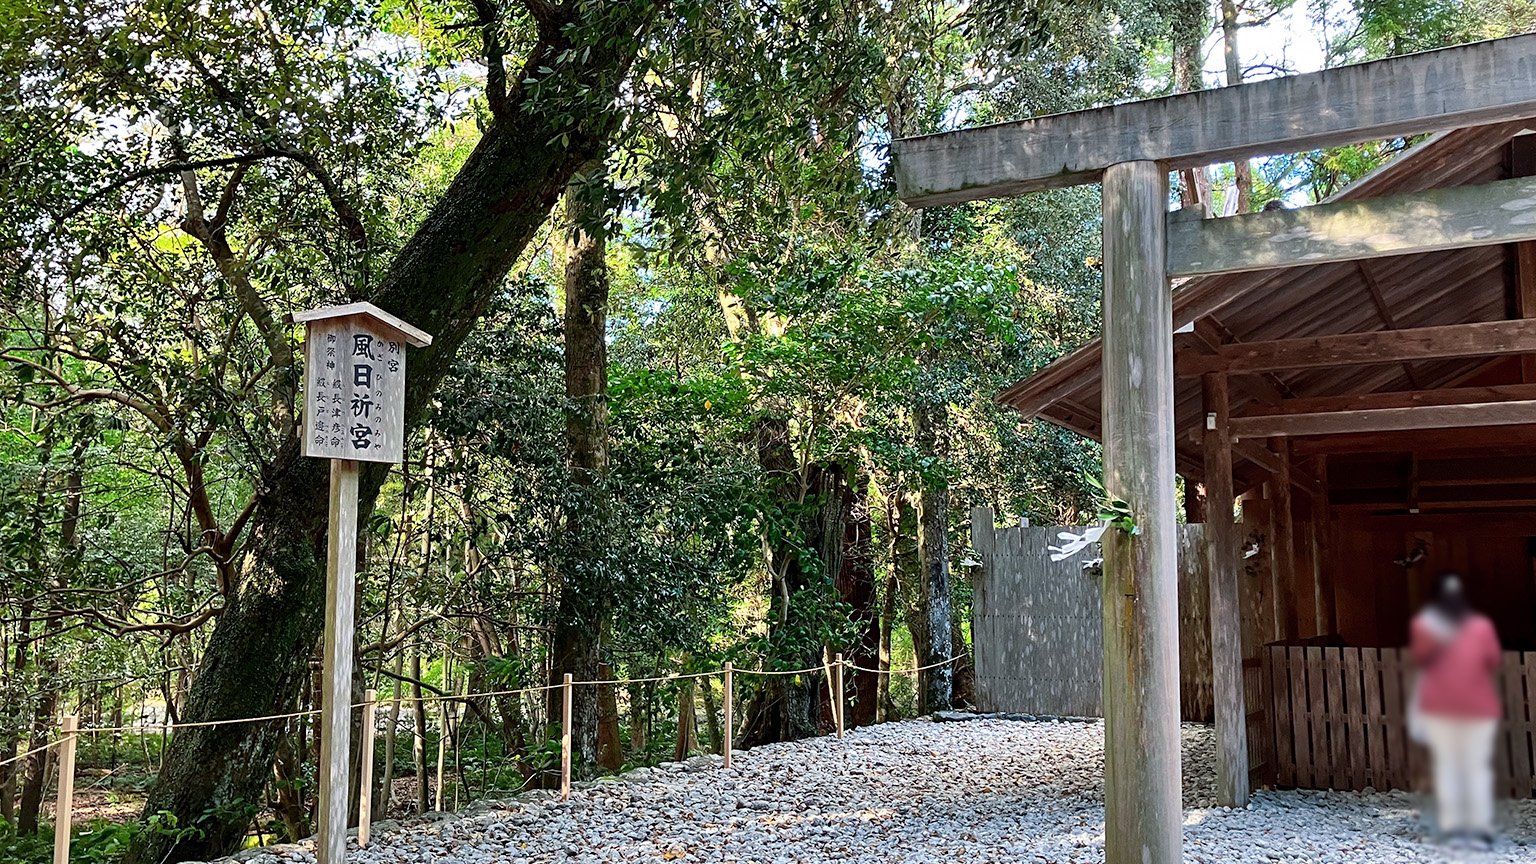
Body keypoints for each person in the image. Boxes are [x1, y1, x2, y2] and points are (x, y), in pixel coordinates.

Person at [1409, 571, 1503, 849]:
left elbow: (1420, 658)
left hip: (1440, 706)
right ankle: (1479, 828)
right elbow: (1493, 659)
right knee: (1476, 768)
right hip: (1478, 706)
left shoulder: (1424, 624)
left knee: (1449, 767)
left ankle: (1455, 829)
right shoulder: (1481, 626)